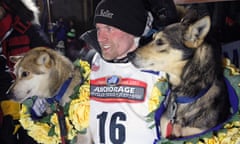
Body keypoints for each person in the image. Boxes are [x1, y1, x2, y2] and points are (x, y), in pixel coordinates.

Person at [84, 0, 165, 143]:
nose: (101, 38)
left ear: (132, 30)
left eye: (109, 28)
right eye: (98, 29)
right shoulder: (90, 62)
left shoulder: (159, 67)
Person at [0, 0, 50, 143]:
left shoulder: (26, 29)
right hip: (6, 107)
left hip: (33, 106)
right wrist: (9, 107)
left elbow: (49, 65)